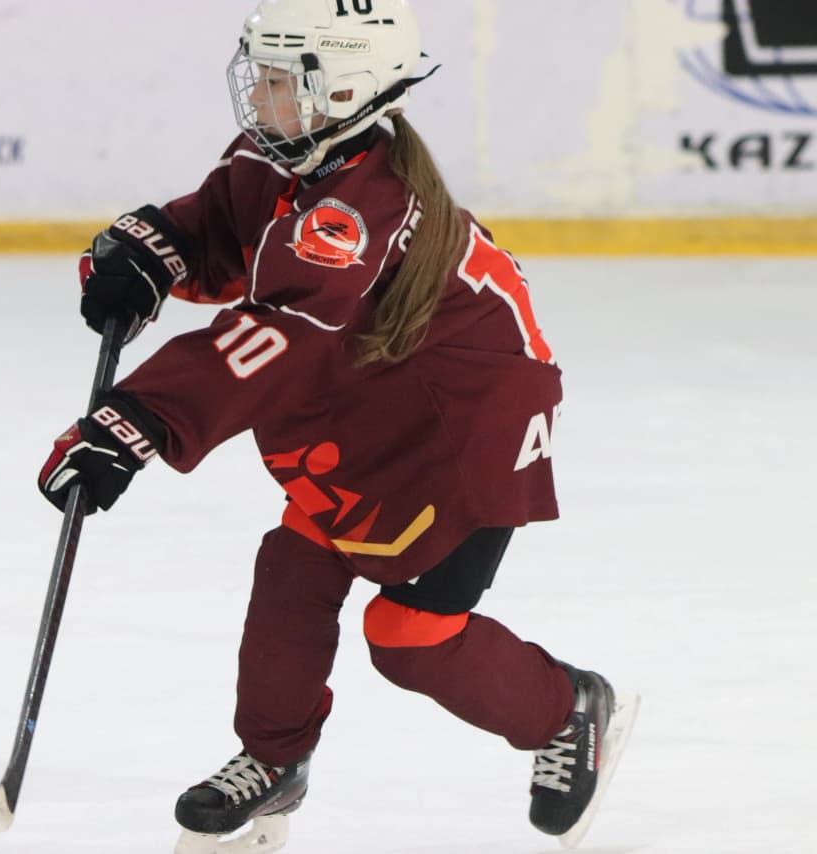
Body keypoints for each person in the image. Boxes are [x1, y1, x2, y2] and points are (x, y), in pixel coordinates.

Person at [37, 0, 638, 849]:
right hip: (379, 400)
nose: (260, 94)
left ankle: (566, 709)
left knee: (409, 637)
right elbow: (225, 222)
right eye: (262, 73)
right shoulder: (287, 152)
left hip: (463, 430)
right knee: (294, 566)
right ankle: (274, 761)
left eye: (282, 80)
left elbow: (280, 337)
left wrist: (137, 422)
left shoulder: (359, 210)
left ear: (345, 90)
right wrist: (152, 250)